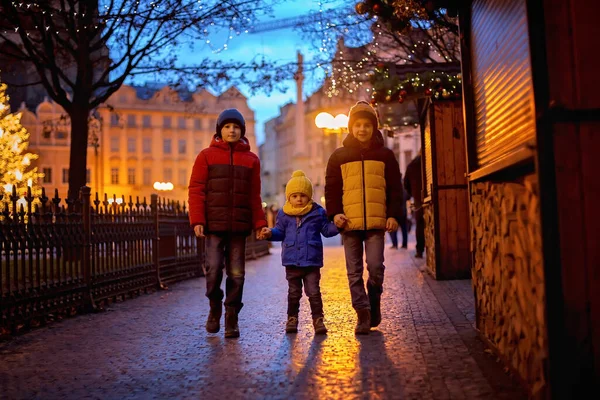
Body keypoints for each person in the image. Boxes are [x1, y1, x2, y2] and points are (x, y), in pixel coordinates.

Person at [188, 108, 269, 338]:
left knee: (237, 274)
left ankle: (232, 316)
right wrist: (197, 220)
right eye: (226, 127)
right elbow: (196, 190)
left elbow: (255, 195)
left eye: (235, 127)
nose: (231, 130)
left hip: (239, 228)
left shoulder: (251, 159)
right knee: (213, 270)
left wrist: (259, 223)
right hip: (213, 226)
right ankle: (215, 306)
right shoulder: (206, 156)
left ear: (242, 131)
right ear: (219, 130)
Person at [325, 100, 404, 335]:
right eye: (357, 125)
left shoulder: (385, 155)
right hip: (349, 224)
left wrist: (393, 215)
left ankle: (374, 301)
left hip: (376, 223)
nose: (362, 129)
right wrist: (335, 213)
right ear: (351, 127)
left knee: (376, 266)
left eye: (367, 125)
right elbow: (331, 189)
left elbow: (395, 188)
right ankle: (362, 313)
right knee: (354, 272)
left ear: (374, 127)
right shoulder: (338, 156)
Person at [263, 170, 339, 335]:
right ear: (288, 197)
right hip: (292, 261)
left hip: (311, 260)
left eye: (302, 195)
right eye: (295, 196)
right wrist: (270, 233)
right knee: (293, 292)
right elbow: (280, 232)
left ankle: (318, 320)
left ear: (309, 196)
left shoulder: (317, 212)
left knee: (314, 292)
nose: (299, 199)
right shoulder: (283, 213)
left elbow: (326, 230)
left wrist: (338, 226)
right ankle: (292, 319)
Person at [404, 151, 424, 258]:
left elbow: (406, 184)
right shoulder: (428, 161)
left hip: (418, 198)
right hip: (430, 195)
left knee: (419, 224)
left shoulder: (412, 165)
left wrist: (413, 193)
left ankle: (419, 250)